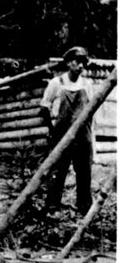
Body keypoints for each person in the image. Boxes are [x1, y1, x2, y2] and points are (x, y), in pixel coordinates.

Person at [39, 46, 95, 215]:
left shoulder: (87, 84)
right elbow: (44, 107)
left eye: (84, 63)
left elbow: (91, 111)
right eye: (78, 62)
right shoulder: (57, 83)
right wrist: (52, 130)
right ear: (69, 63)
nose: (81, 66)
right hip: (61, 135)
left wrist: (90, 135)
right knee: (58, 170)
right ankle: (52, 206)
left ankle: (84, 207)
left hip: (82, 136)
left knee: (84, 171)